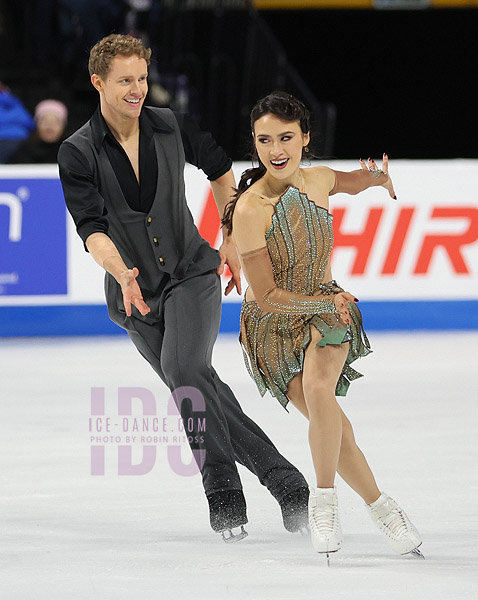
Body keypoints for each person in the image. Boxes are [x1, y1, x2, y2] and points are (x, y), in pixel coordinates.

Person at [57, 35, 310, 542]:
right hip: (135, 296)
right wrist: (120, 271)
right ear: (98, 82)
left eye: (142, 78)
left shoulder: (171, 125)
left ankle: (222, 491)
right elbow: (92, 229)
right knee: (199, 387)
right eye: (125, 80)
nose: (137, 90)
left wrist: (233, 237)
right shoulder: (77, 151)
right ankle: (287, 484)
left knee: (184, 369)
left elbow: (222, 174)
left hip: (193, 272)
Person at [222, 90, 423, 560]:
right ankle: (381, 505)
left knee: (319, 390)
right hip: (272, 324)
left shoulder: (318, 180)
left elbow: (352, 181)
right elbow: (268, 297)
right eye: (264, 139)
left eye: (286, 138)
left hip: (328, 309)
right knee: (332, 422)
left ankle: (324, 500)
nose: (276, 150)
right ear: (254, 143)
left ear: (305, 138)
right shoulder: (251, 210)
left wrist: (378, 177)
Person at [7, 99, 68, 164]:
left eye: (55, 122)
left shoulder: (69, 151)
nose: (49, 127)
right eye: (45, 121)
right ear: (37, 124)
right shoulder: (24, 150)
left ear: (63, 126)